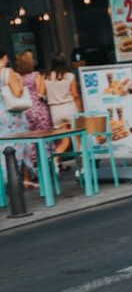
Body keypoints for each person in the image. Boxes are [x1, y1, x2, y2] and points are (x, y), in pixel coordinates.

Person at [0, 50, 37, 188]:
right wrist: (19, 81)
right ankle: (23, 180)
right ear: (4, 57)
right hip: (10, 114)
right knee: (20, 145)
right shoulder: (6, 72)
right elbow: (17, 91)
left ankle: (5, 180)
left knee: (3, 147)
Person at [14, 50, 52, 170]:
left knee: (30, 140)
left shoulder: (17, 77)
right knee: (44, 138)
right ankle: (45, 167)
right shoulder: (36, 75)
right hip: (39, 109)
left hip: (25, 111)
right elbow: (41, 93)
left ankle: (32, 166)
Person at [44, 53, 83, 156]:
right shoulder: (70, 76)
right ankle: (81, 167)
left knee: (64, 142)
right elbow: (75, 95)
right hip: (69, 108)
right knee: (77, 139)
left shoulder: (46, 77)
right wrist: (80, 110)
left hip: (55, 111)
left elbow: (43, 95)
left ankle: (55, 163)